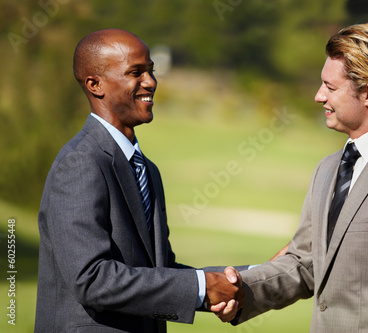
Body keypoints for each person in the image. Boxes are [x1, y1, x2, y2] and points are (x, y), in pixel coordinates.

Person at [228, 22, 368, 332]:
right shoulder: (327, 168)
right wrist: (238, 288)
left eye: (330, 87)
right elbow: (306, 262)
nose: (318, 96)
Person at [35, 28, 243, 333]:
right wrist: (201, 287)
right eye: (136, 72)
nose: (151, 82)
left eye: (151, 71)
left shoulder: (147, 169)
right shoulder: (80, 163)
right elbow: (92, 279)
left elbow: (157, 272)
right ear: (95, 84)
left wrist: (237, 280)